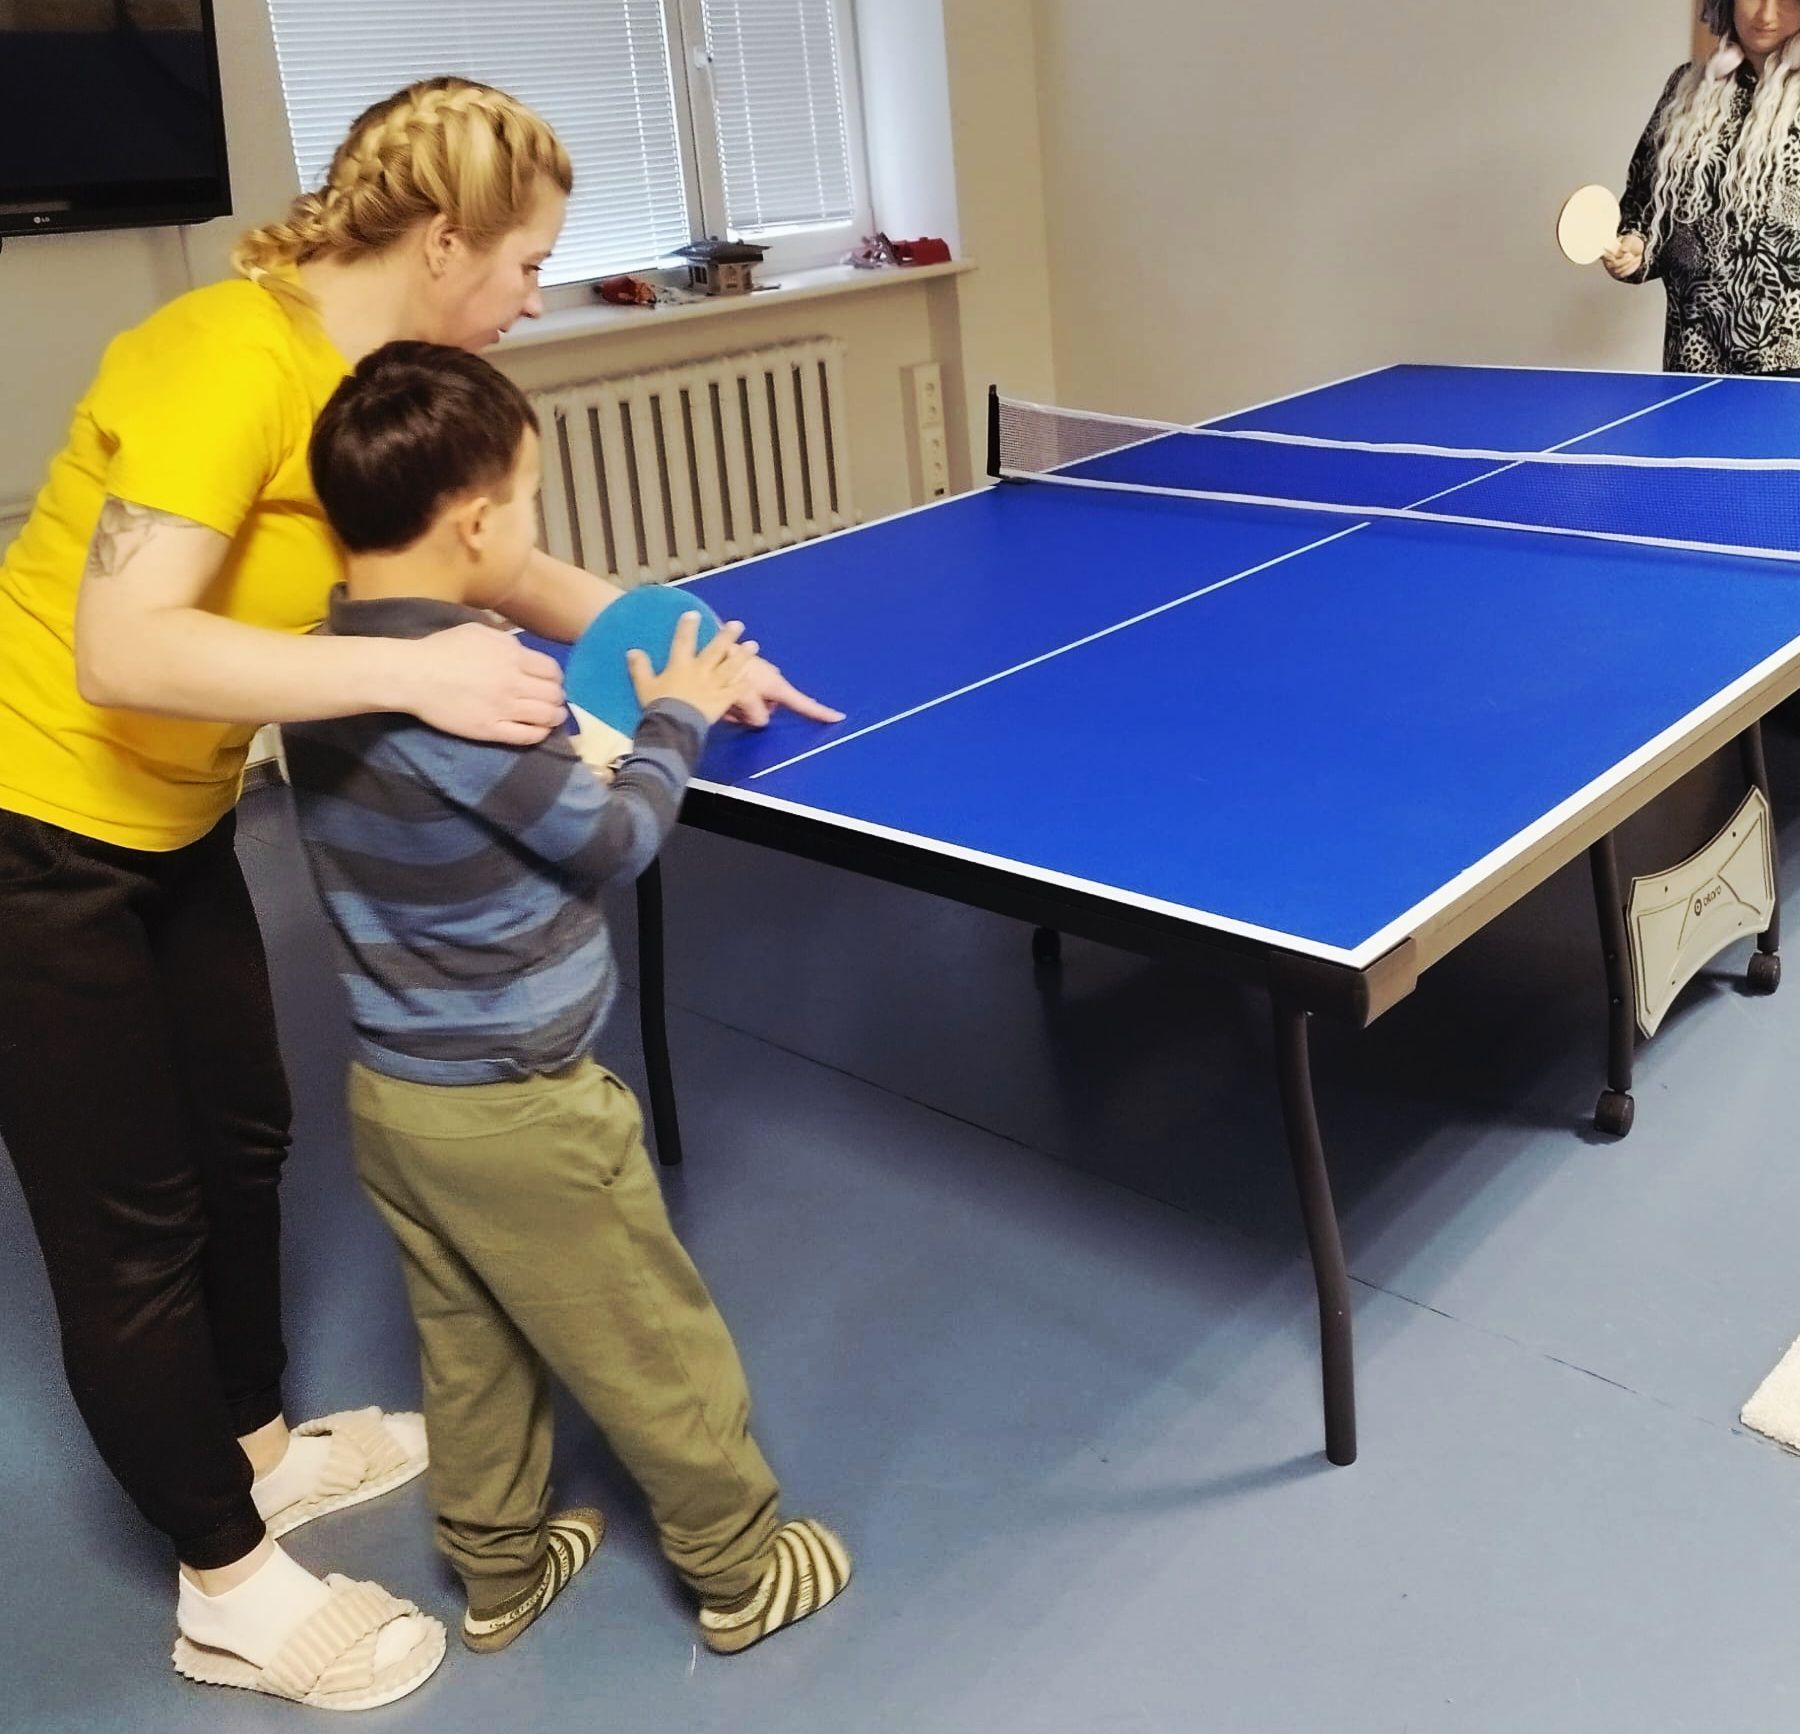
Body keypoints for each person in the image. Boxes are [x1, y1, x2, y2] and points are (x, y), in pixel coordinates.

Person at [0, 75, 838, 1713]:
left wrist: (702, 654)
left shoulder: (373, 388)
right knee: (130, 1229)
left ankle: (252, 1449)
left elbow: (505, 572)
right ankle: (226, 1586)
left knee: (245, 1135)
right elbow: (123, 645)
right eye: (527, 261)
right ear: (445, 236)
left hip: (168, 818)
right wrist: (425, 685)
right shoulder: (218, 361)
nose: (535, 294)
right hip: (29, 816)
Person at [285, 339, 853, 1659]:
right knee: (651, 1338)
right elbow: (610, 841)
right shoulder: (483, 697)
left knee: (471, 1343)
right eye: (531, 497)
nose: (538, 527)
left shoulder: (324, 672)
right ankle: (741, 1562)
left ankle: (498, 1566)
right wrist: (676, 721)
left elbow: (463, 823)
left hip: (395, 1092)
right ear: (475, 519)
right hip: (521, 1103)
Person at [1606, 0, 1800, 373]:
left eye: (1787, 1)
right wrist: (1635, 246)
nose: (1766, 15)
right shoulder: (1687, 88)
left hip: (1791, 365)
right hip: (1696, 355)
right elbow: (1643, 206)